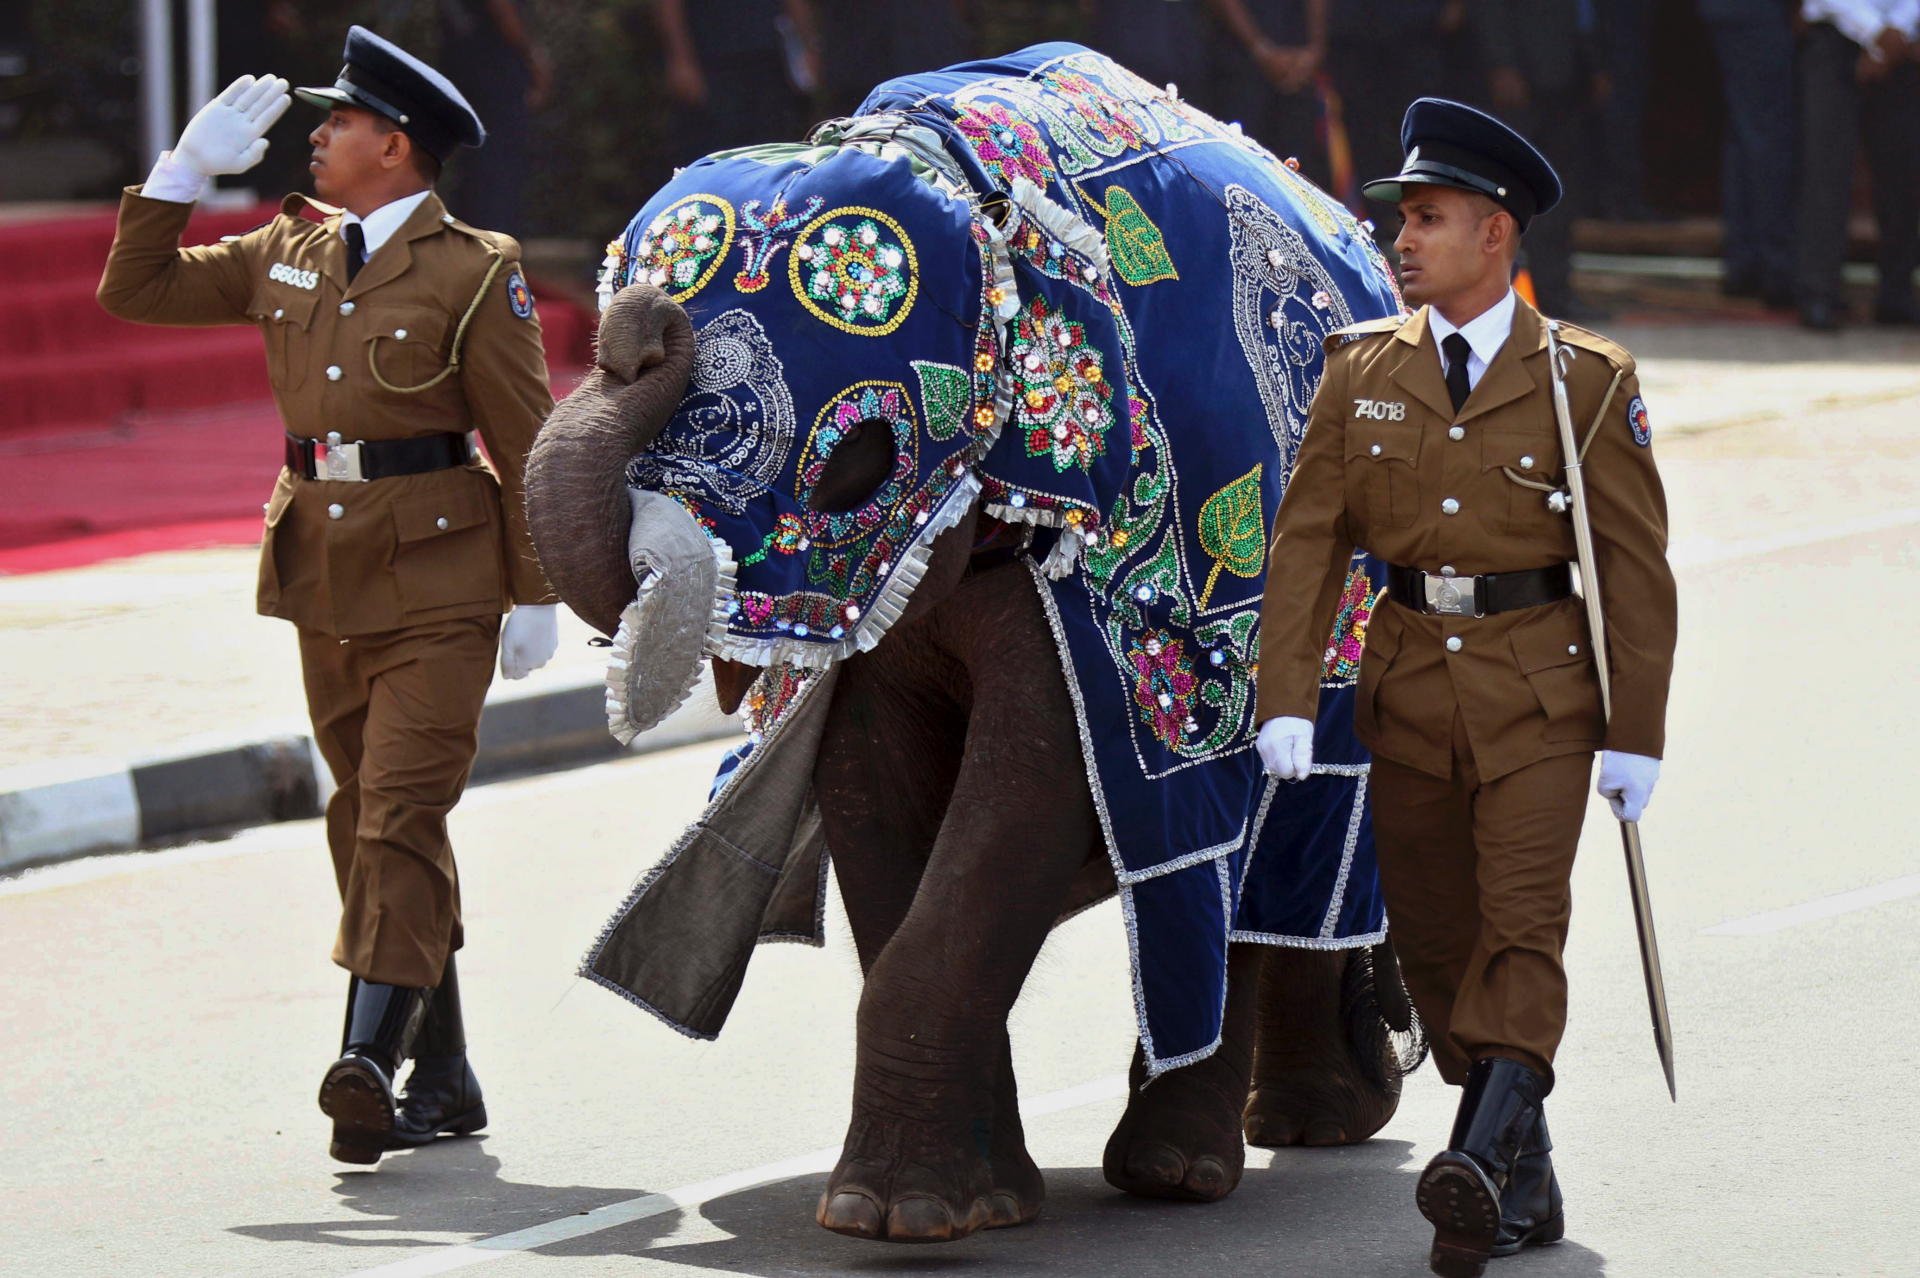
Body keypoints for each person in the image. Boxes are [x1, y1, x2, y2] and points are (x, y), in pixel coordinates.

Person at [96, 27, 561, 1165]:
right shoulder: (286, 251)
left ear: (395, 148)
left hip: (445, 579)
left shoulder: (473, 269)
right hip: (325, 574)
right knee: (365, 822)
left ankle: (364, 1060)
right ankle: (444, 1076)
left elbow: (528, 436)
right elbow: (135, 290)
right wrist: (178, 177)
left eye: (341, 122)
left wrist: (539, 586)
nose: (318, 135)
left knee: (400, 813)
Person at [1253, 99, 1677, 1277]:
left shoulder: (1584, 379)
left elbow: (1633, 571)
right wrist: (1287, 692)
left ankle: (1476, 1167)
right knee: (1438, 951)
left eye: (1427, 219)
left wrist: (1636, 732)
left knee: (1522, 928)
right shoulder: (1361, 370)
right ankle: (1523, 1173)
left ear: (1496, 234)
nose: (1402, 239)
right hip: (1404, 694)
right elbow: (1307, 544)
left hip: (1542, 696)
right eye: (1402, 219)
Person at [1472, 0, 1613, 319]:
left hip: (1570, 71)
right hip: (1524, 73)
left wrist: (1595, 63)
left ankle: (1555, 295)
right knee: (1503, 195)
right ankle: (1493, 300)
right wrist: (1502, 62)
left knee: (1558, 196)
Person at [1792, 0, 1920, 329]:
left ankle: (1897, 294)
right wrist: (1876, 33)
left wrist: (1898, 31)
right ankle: (1819, 294)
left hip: (1905, 43)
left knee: (1903, 172)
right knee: (1827, 172)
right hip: (1836, 35)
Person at [1698, 0, 1798, 310]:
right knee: (1767, 134)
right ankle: (1775, 270)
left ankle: (1745, 264)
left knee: (1746, 134)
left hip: (1737, 11)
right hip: (1759, 12)